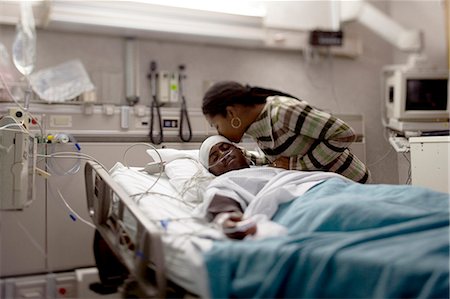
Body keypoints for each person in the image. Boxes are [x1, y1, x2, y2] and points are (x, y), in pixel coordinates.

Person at [202, 81, 370, 183]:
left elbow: (344, 134)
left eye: (217, 126)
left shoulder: (282, 112)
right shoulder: (257, 126)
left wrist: (297, 166)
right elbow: (279, 160)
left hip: (352, 182)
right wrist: (241, 156)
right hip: (327, 187)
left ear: (231, 113)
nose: (220, 132)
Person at [196, 135, 350, 239]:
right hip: (297, 205)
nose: (224, 155)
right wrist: (229, 221)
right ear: (211, 171)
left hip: (325, 187)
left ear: (238, 149)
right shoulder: (223, 181)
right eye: (215, 157)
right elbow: (223, 207)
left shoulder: (269, 168)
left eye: (225, 147)